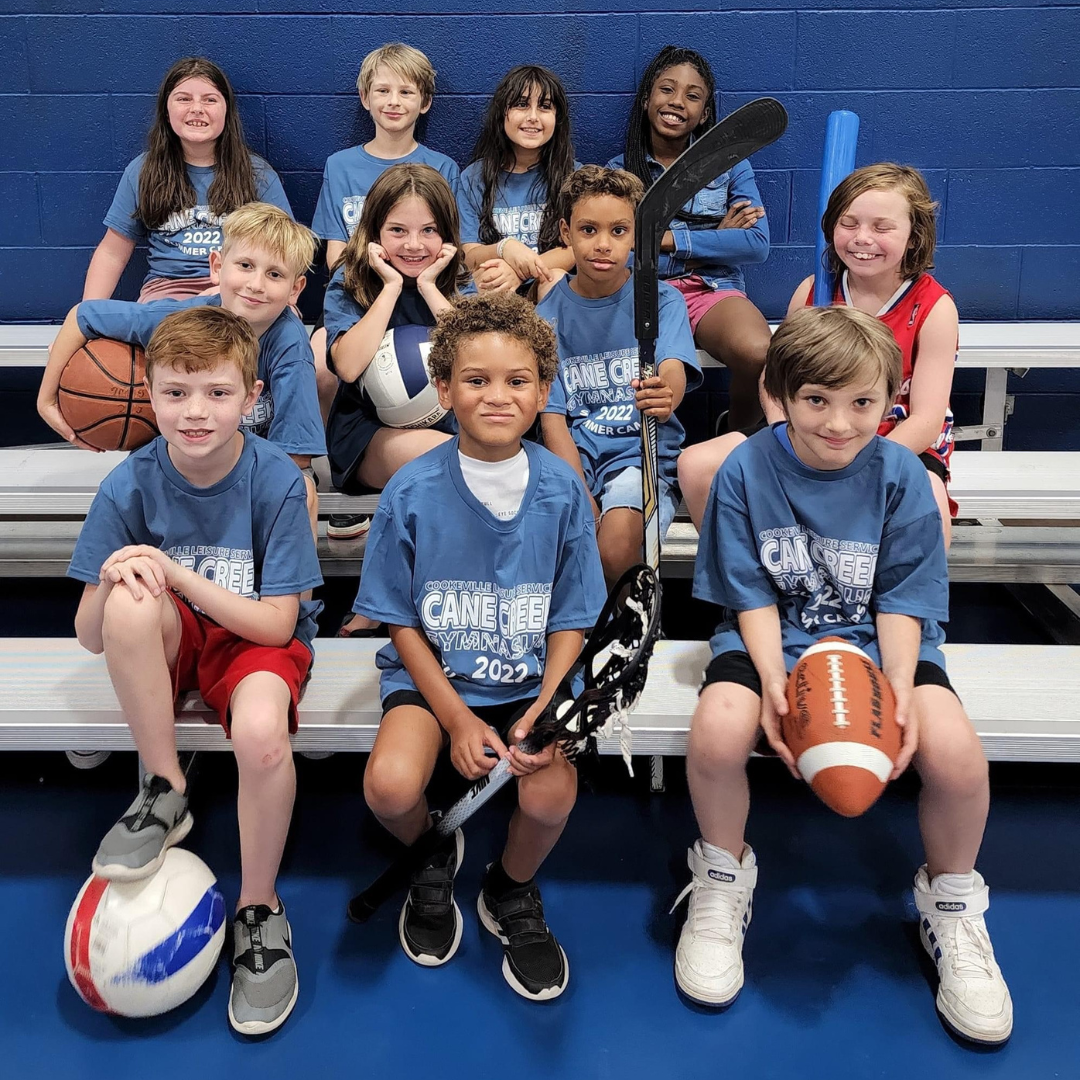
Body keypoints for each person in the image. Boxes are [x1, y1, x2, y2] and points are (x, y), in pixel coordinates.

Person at [675, 305, 1012, 1045]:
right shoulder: (745, 469)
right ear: (782, 394)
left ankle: (953, 906)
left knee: (955, 755)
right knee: (718, 733)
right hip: (771, 635)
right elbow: (751, 593)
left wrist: (896, 690)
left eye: (861, 403)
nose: (838, 422)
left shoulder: (902, 476)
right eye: (816, 401)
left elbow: (900, 600)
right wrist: (771, 683)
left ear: (889, 400)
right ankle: (722, 879)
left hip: (881, 639)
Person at [67, 306, 323, 1035]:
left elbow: (277, 623)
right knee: (126, 600)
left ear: (250, 397)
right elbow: (90, 637)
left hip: (254, 644)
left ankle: (260, 906)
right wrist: (115, 577)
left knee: (263, 736)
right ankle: (165, 785)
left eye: (216, 393)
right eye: (176, 393)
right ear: (149, 394)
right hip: (178, 642)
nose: (195, 412)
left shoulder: (275, 481)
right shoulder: (130, 481)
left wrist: (173, 571)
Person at [355, 293, 606, 1000]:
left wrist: (547, 709)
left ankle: (509, 889)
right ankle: (431, 858)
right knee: (391, 786)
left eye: (517, 381)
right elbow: (400, 622)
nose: (497, 396)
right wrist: (460, 720)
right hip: (436, 680)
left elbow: (572, 618)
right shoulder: (409, 491)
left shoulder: (562, 491)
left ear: (542, 390)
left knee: (553, 792)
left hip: (532, 682)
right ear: (443, 390)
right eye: (476, 380)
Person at [679, 164, 959, 545]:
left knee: (933, 508)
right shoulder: (814, 292)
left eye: (882, 227)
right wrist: (786, 439)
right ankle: (749, 585)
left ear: (913, 236)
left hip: (890, 440)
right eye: (849, 222)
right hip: (807, 433)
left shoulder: (933, 308)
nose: (862, 238)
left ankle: (907, 602)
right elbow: (774, 381)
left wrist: (853, 468)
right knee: (696, 466)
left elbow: (926, 420)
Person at [39, 203, 324, 535]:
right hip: (191, 453)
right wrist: (46, 400)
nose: (256, 284)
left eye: (274, 274)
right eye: (245, 265)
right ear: (217, 267)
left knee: (300, 493)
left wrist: (227, 491)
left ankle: (286, 587)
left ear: (295, 289)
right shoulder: (182, 320)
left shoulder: (289, 346)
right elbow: (82, 316)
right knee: (133, 481)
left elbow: (295, 456)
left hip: (262, 464)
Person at [538, 165, 700, 583]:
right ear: (565, 232)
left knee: (615, 549)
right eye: (588, 230)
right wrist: (579, 495)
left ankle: (628, 633)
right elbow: (552, 419)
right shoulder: (547, 317)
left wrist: (667, 393)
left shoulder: (661, 300)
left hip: (640, 458)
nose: (603, 245)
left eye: (619, 231)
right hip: (573, 461)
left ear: (637, 235)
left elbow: (672, 368)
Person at [324, 163, 463, 634]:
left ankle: (425, 601)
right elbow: (346, 365)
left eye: (428, 231)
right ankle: (387, 598)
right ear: (374, 232)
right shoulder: (351, 282)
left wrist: (428, 287)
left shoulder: (462, 281)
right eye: (397, 230)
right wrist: (389, 289)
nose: (413, 245)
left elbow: (481, 354)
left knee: (464, 459)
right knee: (446, 463)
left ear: (446, 234)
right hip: (368, 430)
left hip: (449, 423)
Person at [609, 45, 771, 431]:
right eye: (667, 89)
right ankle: (648, 455)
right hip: (646, 292)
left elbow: (756, 244)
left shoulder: (732, 165)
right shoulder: (619, 171)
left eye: (693, 95)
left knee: (760, 352)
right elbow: (621, 258)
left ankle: (737, 440)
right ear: (648, 98)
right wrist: (715, 241)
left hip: (711, 290)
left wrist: (663, 240)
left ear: (706, 112)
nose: (677, 102)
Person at [310, 42, 460, 422]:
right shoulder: (340, 165)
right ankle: (324, 450)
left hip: (427, 294)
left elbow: (455, 247)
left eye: (406, 92)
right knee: (319, 359)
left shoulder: (442, 168)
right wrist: (378, 267)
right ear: (365, 97)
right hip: (363, 288)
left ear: (424, 102)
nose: (393, 101)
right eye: (383, 90)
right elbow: (335, 255)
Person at [83, 56, 292, 303]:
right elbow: (111, 253)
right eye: (183, 99)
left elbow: (287, 250)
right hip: (167, 294)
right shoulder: (142, 171)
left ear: (227, 110)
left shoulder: (257, 173)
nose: (196, 109)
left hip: (239, 289)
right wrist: (87, 317)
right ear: (166, 109)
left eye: (210, 100)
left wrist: (225, 294)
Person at [458, 66, 577, 297]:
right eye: (521, 104)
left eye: (544, 106)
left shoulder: (573, 177)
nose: (533, 117)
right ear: (503, 112)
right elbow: (469, 255)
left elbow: (576, 249)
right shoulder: (473, 178)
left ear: (557, 118)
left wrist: (522, 272)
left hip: (545, 285)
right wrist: (504, 248)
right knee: (485, 277)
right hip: (496, 284)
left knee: (556, 279)